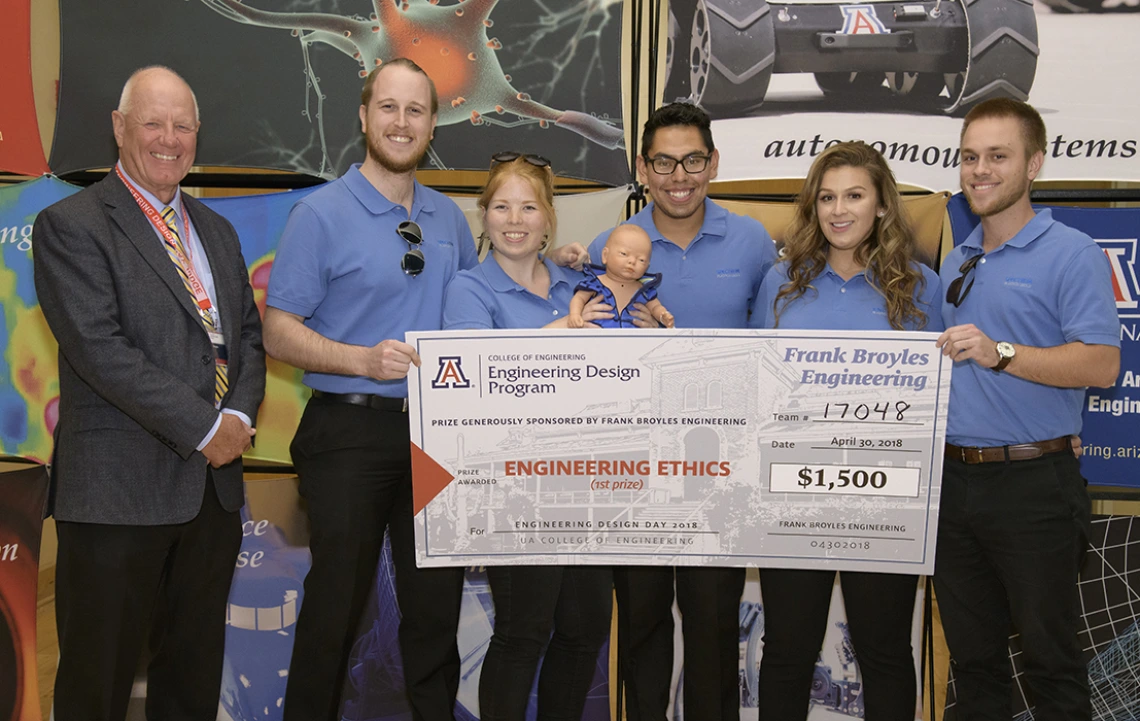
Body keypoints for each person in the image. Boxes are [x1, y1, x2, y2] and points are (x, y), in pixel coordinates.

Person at [32, 66, 266, 721]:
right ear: (119, 128)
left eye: (182, 125)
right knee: (96, 685)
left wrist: (240, 414)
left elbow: (244, 333)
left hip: (210, 499)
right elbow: (100, 349)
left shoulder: (217, 230)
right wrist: (205, 426)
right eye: (153, 123)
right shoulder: (70, 225)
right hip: (116, 497)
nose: (169, 138)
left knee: (191, 681)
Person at [264, 59, 478, 721]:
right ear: (363, 116)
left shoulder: (450, 219)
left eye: (416, 110)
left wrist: (552, 265)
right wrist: (361, 359)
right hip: (347, 432)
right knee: (336, 607)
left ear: (432, 123)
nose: (402, 122)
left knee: (433, 611)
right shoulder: (319, 213)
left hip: (433, 435)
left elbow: (481, 306)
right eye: (389, 107)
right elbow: (277, 330)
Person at [586, 102, 778, 721]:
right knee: (641, 622)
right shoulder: (610, 247)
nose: (679, 175)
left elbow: (774, 351)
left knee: (714, 626)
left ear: (713, 163)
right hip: (634, 474)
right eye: (664, 161)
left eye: (693, 160)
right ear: (643, 168)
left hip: (720, 474)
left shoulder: (751, 242)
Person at [933, 98, 1120, 721]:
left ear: (1033, 164)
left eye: (997, 156)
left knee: (1052, 663)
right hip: (954, 486)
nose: (979, 170)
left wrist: (1001, 352)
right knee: (974, 664)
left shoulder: (1072, 253)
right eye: (969, 157)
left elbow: (1102, 365)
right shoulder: (956, 258)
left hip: (1034, 487)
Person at [750, 142, 941, 720]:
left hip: (883, 500)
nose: (839, 210)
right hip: (794, 496)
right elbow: (761, 386)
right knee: (786, 650)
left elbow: (938, 396)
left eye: (854, 195)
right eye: (827, 197)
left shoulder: (920, 287)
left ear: (882, 204)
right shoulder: (781, 282)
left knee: (883, 651)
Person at [443, 152, 615, 721]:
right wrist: (567, 326)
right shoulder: (468, 289)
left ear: (549, 219)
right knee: (525, 632)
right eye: (500, 206)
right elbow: (480, 376)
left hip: (588, 485)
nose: (513, 220)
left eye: (528, 207)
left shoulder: (578, 283)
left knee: (584, 628)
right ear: (483, 214)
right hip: (512, 487)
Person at [568, 224, 675, 328]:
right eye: (624, 254)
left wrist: (662, 316)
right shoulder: (595, 282)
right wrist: (575, 315)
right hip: (598, 340)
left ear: (647, 266)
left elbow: (655, 307)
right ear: (605, 256)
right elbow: (579, 299)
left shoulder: (643, 290)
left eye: (641, 260)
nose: (632, 261)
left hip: (633, 343)